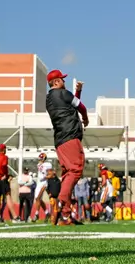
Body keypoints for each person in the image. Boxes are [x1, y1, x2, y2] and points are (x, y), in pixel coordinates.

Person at [44, 70, 89, 225]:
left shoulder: (49, 98)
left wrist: (78, 91)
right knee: (76, 170)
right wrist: (85, 119)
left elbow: (72, 105)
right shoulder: (63, 94)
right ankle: (61, 204)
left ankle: (65, 215)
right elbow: (81, 107)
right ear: (56, 82)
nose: (64, 82)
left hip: (60, 140)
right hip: (70, 137)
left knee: (67, 175)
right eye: (62, 79)